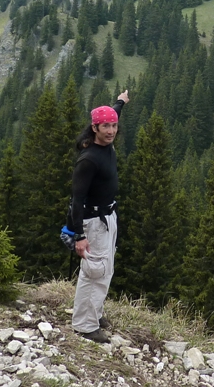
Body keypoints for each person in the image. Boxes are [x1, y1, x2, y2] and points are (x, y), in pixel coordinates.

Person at [71, 90, 129, 343]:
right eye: (106, 126)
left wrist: (121, 102)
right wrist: (79, 236)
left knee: (106, 269)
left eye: (114, 125)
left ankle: (95, 314)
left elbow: (113, 111)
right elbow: (76, 200)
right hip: (93, 222)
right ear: (94, 128)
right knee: (94, 271)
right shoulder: (89, 159)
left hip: (108, 217)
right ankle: (85, 325)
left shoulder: (106, 142)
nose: (111, 130)